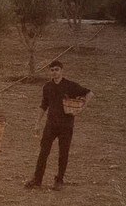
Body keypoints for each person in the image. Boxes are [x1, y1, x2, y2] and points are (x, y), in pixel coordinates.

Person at [25, 60, 92, 190]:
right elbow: (43, 105)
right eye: (52, 70)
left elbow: (89, 93)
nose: (54, 72)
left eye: (57, 70)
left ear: (62, 71)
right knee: (43, 152)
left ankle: (59, 181)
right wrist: (37, 123)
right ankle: (37, 180)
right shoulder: (47, 86)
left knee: (63, 153)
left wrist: (81, 108)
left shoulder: (70, 85)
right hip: (51, 125)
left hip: (66, 126)